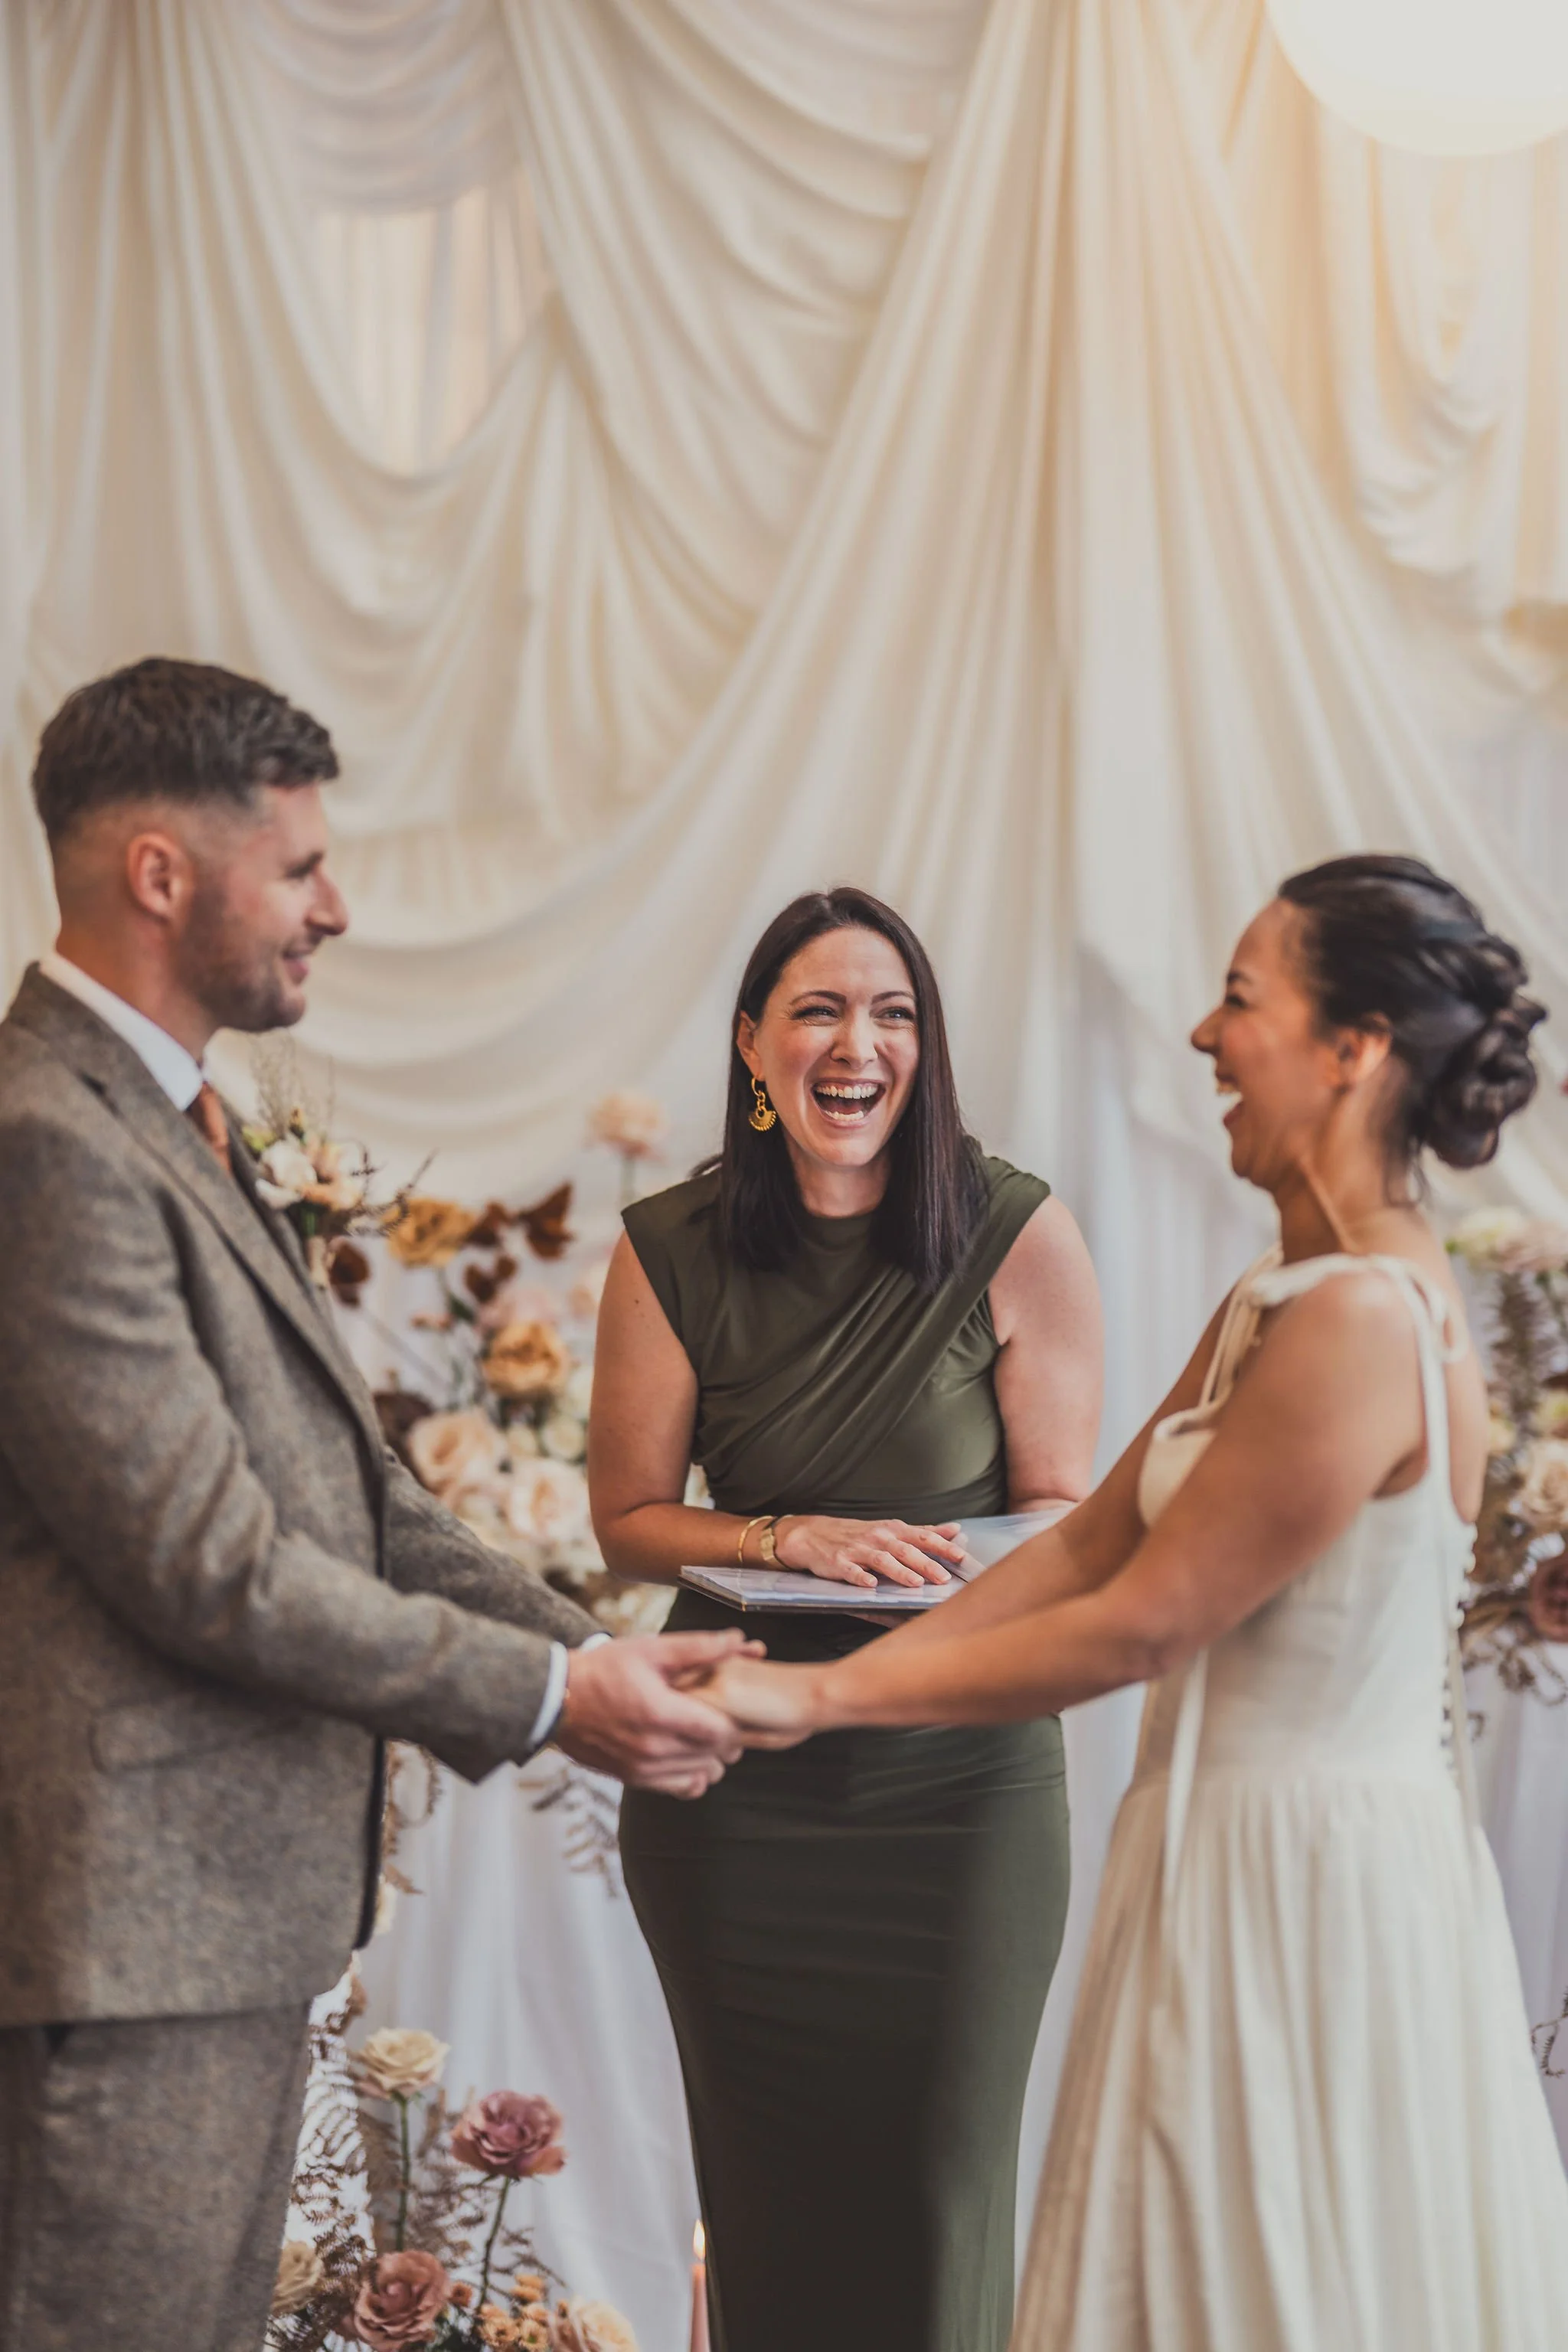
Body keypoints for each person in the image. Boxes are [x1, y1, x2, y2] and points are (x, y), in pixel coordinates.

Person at [706, 854, 1568, 2348]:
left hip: (1301, 1884)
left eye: (1240, 999)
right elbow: (1089, 1543)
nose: (1201, 1037)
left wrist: (814, 1698)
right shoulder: (1278, 1294)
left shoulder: (1362, 1321)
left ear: (1351, 1047)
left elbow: (1143, 1623)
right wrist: (838, 1665)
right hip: (1208, 1850)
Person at [0, 658, 747, 2352]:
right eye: (302, 866)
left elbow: (361, 1503)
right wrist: (562, 1702)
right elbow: (216, 1568)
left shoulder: (176, 1122)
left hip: (221, 1931)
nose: (335, 907)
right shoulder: (47, 1138)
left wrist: (602, 1659)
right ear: (161, 876)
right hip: (125, 1947)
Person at [589, 887, 1104, 2352]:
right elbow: (627, 1519)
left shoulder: (1015, 1230)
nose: (856, 1045)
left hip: (961, 1789)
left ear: (926, 1051)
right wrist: (781, 1534)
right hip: (734, 1793)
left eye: (893, 1014)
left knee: (940, 2194)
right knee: (766, 2204)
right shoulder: (667, 1249)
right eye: (817, 1009)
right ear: (753, 1046)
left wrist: (945, 1570)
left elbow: (1068, 1510)